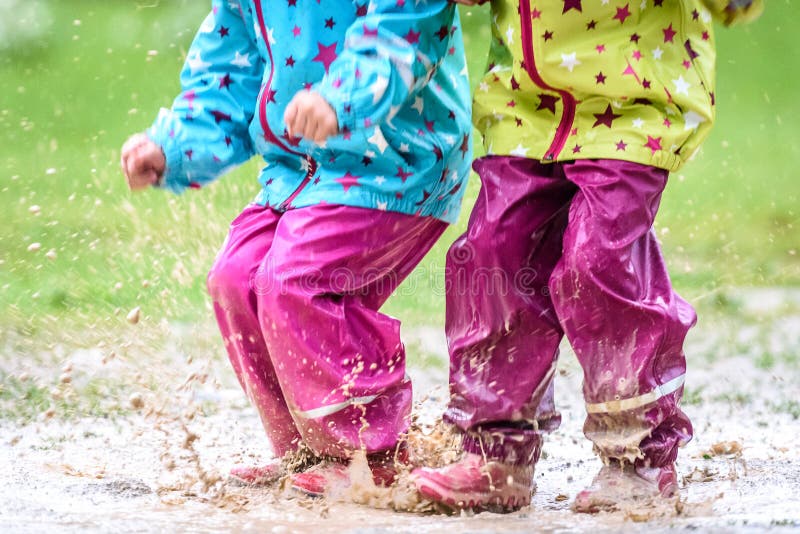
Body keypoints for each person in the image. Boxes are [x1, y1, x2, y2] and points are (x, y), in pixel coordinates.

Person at [411, 0, 763, 513]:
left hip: (633, 99)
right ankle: (495, 451)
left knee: (597, 258)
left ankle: (639, 454)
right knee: (494, 252)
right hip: (525, 104)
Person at [120, 0, 471, 495]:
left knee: (295, 281)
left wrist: (340, 99)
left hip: (396, 165)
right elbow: (230, 74)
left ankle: (366, 456)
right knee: (235, 279)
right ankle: (303, 450)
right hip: (300, 175)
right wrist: (175, 146)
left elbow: (401, 30)